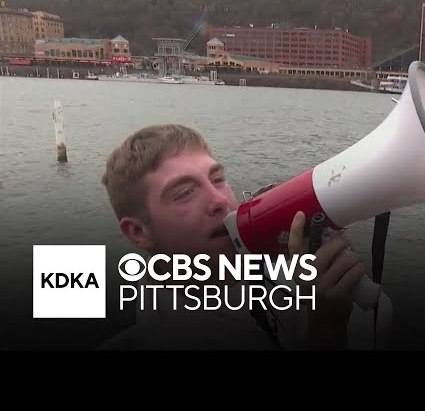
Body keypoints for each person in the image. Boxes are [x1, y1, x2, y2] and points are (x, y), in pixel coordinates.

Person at [97, 123, 369, 350]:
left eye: (217, 179)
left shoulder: (269, 266)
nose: (219, 200)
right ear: (139, 231)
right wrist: (326, 333)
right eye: (184, 193)